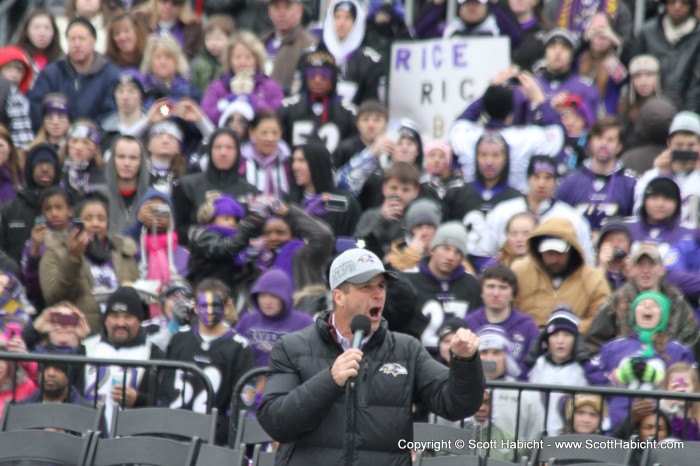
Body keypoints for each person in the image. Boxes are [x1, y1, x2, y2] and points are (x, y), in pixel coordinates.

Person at [257, 247, 485, 465]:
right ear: (339, 296)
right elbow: (276, 423)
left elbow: (457, 405)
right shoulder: (291, 347)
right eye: (366, 287)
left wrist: (466, 362)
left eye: (382, 286)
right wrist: (330, 380)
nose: (378, 295)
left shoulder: (407, 350)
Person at [164, 278, 254, 445]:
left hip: (213, 440)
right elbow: (164, 389)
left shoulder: (239, 348)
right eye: (205, 305)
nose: (210, 311)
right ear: (196, 307)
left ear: (227, 307)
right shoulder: (180, 339)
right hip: (173, 434)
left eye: (216, 305)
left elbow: (243, 401)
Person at [40, 193, 140, 331]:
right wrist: (72, 258)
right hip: (77, 334)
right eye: (88, 218)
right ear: (77, 223)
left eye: (101, 219)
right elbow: (54, 298)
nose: (95, 224)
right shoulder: (56, 253)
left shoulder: (124, 252)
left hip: (120, 332)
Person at [586, 243, 698, 354]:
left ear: (661, 269)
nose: (645, 270)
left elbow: (693, 339)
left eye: (651, 265)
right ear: (632, 269)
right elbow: (594, 342)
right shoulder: (617, 300)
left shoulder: (675, 300)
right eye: (640, 265)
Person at [82, 286, 165, 433]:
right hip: (86, 439)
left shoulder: (154, 355)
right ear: (105, 320)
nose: (121, 323)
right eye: (114, 316)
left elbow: (164, 404)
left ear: (139, 320)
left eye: (128, 316)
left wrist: (138, 399)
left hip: (133, 444)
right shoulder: (86, 348)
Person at [485, 156, 596, 263]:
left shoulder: (572, 218)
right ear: (528, 179)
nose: (541, 184)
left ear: (555, 181)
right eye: (536, 176)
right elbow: (486, 252)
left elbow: (587, 260)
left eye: (548, 177)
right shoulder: (502, 211)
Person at [511, 217, 611, 330]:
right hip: (527, 339)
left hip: (575, 341)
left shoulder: (593, 278)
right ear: (539, 250)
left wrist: (567, 329)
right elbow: (508, 310)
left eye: (560, 252)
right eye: (549, 252)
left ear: (572, 250)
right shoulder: (520, 271)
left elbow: (601, 318)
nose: (554, 258)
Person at [402, 222, 482, 352]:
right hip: (417, 358)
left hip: (459, 358)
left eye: (458, 252)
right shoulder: (409, 280)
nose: (451, 257)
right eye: (446, 248)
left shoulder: (471, 284)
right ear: (433, 249)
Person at [28, 17, 120, 130]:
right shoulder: (51, 73)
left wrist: (84, 134)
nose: (77, 44)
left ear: (94, 41)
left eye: (81, 39)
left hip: (96, 141)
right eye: (72, 39)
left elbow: (111, 114)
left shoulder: (110, 74)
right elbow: (37, 108)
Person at [172, 127, 259, 246]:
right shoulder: (187, 185)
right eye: (218, 147)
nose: (223, 153)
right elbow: (177, 228)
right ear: (210, 151)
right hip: (197, 256)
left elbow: (256, 230)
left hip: (237, 257)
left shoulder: (250, 191)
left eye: (229, 147)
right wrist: (205, 234)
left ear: (238, 152)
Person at [556, 117, 637, 231]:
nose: (604, 144)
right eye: (599, 138)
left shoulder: (631, 184)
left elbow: (636, 227)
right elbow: (558, 223)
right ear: (590, 143)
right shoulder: (569, 181)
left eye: (610, 140)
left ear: (619, 147)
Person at [278, 50, 357, 154]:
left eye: (325, 74)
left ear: (334, 78)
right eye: (312, 74)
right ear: (305, 77)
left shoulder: (349, 112)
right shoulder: (287, 107)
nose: (317, 80)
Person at [465, 264, 539, 377]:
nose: (496, 294)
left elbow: (534, 368)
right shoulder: (468, 324)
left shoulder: (528, 327)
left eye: (502, 287)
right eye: (490, 286)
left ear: (513, 294)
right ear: (481, 292)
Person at [235, 268, 314, 367]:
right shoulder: (247, 320)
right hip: (249, 378)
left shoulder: (304, 323)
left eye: (273, 296)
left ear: (285, 297)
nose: (267, 301)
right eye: (263, 295)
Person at [201, 32, 285, 125]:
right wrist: (234, 97)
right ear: (229, 61)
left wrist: (249, 97)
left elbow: (276, 117)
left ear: (257, 60)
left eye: (248, 58)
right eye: (237, 57)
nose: (243, 63)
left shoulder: (271, 87)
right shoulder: (216, 88)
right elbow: (207, 118)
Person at [633, 111, 700, 227]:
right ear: (669, 144)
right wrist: (663, 175)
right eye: (679, 145)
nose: (684, 150)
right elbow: (638, 214)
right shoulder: (652, 176)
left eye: (691, 145)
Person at [477, 325, 544, 442]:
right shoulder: (461, 389)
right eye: (484, 352)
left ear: (506, 357)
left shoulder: (526, 394)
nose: (489, 359)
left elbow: (536, 437)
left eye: (496, 353)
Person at [0, 143, 61, 265]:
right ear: (29, 169)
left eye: (49, 163)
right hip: (16, 280)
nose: (45, 168)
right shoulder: (10, 210)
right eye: (39, 163)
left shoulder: (67, 208)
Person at [634, 0, 700, 112]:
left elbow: (696, 82)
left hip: (684, 108)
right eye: (672, 2)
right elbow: (636, 70)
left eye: (684, 3)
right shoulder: (647, 32)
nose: (677, 7)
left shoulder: (697, 37)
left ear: (691, 7)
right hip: (650, 108)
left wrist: (689, 115)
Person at [286, 141, 361, 237]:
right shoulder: (290, 202)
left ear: (318, 163)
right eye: (294, 160)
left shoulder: (345, 203)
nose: (295, 166)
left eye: (302, 160)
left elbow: (356, 241)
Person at [262, 0, 318, 94]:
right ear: (270, 12)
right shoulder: (261, 43)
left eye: (287, 7)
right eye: (276, 7)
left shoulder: (309, 45)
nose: (282, 14)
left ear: (299, 11)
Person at [132, 0, 204, 60]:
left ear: (183, 6)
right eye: (164, 1)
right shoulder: (139, 21)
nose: (168, 7)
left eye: (175, 2)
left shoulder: (193, 29)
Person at [385, 198, 441, 272]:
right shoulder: (395, 254)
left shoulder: (447, 251)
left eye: (430, 226)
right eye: (419, 226)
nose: (424, 233)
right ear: (410, 231)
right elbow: (395, 279)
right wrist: (411, 255)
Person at [190, 15, 235, 96]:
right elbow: (192, 85)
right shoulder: (199, 62)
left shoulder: (233, 62)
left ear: (230, 39)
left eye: (218, 39)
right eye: (208, 39)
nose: (213, 43)